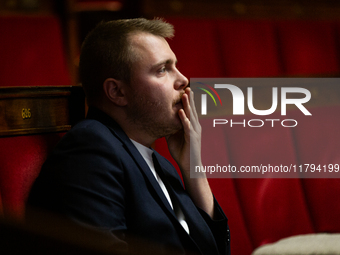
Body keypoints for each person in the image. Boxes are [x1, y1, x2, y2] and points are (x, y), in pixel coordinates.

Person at [28, 18, 230, 255]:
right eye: (163, 69)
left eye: (176, 65)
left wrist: (192, 167)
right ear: (117, 91)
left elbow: (214, 250)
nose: (183, 79)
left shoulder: (159, 162)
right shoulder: (90, 150)